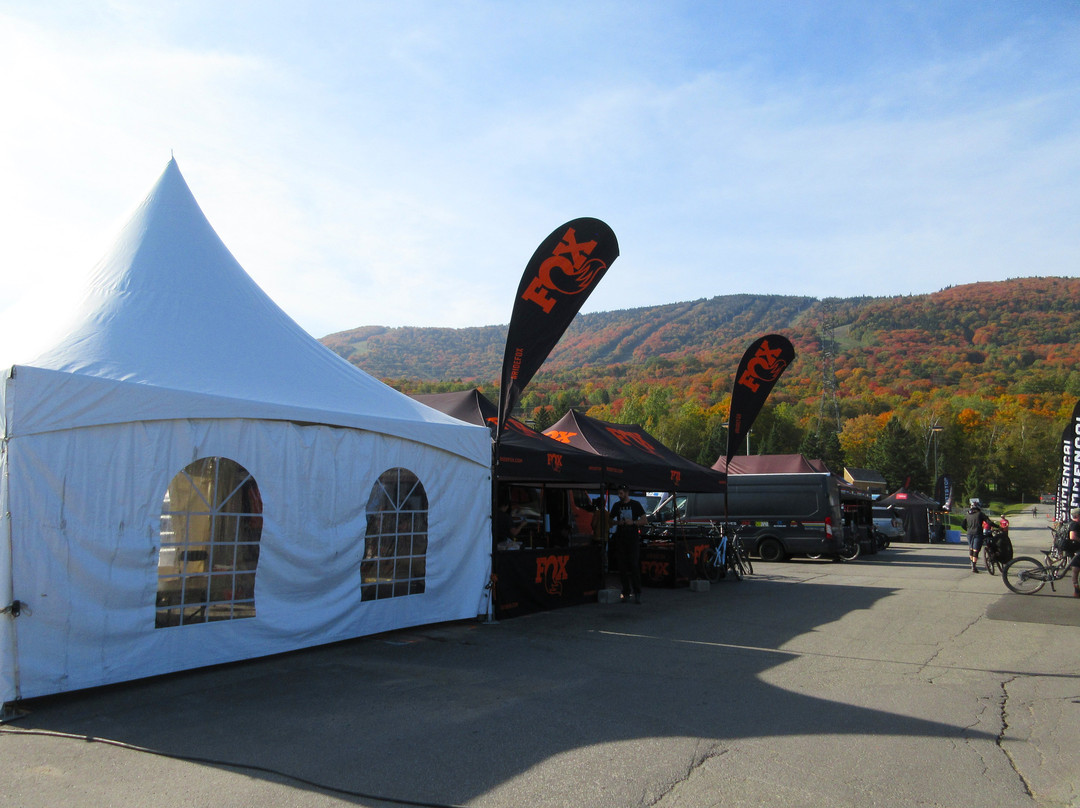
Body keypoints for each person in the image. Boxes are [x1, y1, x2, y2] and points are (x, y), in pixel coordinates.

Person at [609, 484, 645, 604]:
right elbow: (609, 521)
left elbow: (645, 520)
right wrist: (617, 522)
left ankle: (637, 592)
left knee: (634, 565)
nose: (620, 496)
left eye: (621, 493)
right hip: (620, 539)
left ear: (626, 493)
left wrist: (633, 522)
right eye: (619, 493)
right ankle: (626, 592)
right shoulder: (616, 505)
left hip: (632, 540)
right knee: (622, 567)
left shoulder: (635, 505)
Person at [963, 499, 985, 573]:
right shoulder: (980, 514)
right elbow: (989, 522)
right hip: (977, 533)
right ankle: (974, 566)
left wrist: (968, 529)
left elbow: (962, 524)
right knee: (976, 549)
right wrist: (997, 526)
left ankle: (972, 564)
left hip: (969, 533)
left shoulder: (967, 514)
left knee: (971, 548)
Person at [1069, 508, 1080, 598]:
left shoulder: (1073, 523)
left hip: (1075, 550)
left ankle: (1077, 590)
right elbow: (1072, 536)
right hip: (1077, 550)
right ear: (1077, 516)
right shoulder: (1074, 524)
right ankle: (1076, 591)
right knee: (1075, 571)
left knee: (1075, 571)